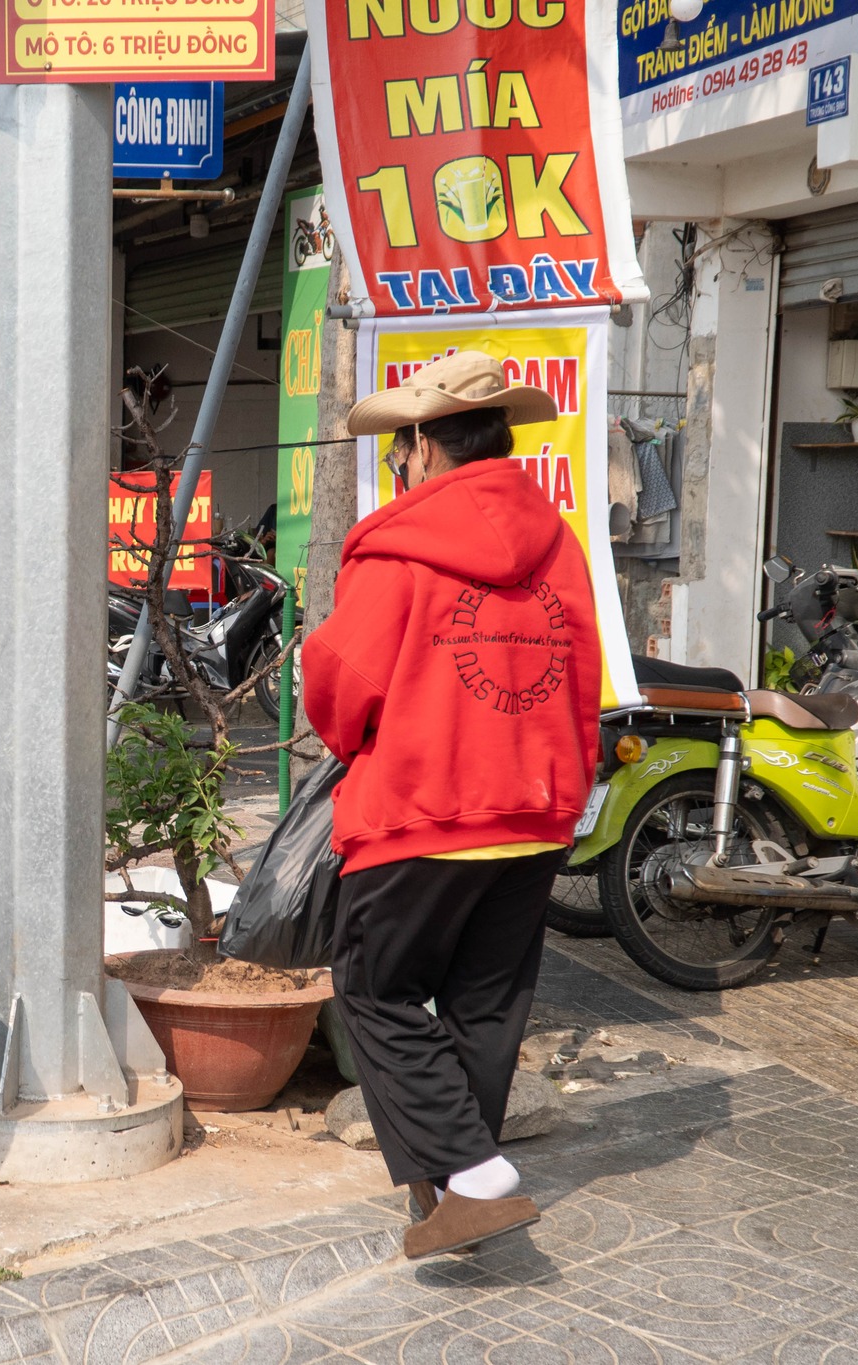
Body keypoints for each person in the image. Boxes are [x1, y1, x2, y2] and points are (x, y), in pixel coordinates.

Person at [304, 351, 601, 1261]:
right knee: (485, 1005)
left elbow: (341, 684)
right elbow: (585, 674)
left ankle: (475, 1176)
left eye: (401, 447)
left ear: (428, 444)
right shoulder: (560, 543)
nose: (399, 464)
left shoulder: (398, 548)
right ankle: (454, 1193)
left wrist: (354, 738)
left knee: (374, 988)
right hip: (534, 810)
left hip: (422, 808)